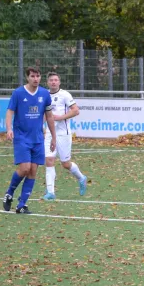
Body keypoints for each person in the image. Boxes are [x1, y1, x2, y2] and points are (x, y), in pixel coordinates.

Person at [3, 67, 57, 214]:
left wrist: (53, 137)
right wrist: (9, 129)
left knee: (33, 171)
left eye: (38, 76)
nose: (35, 79)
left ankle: (22, 204)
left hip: (38, 138)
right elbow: (10, 112)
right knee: (24, 168)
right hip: (21, 137)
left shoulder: (45, 93)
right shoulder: (18, 93)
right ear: (27, 77)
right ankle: (9, 193)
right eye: (33, 76)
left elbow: (50, 117)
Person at [42, 72, 87, 200]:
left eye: (56, 80)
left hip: (63, 134)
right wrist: (40, 126)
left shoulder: (65, 95)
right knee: (49, 160)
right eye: (51, 80)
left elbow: (76, 110)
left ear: (59, 82)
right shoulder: (44, 95)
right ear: (48, 82)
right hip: (50, 133)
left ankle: (81, 178)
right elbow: (44, 114)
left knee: (65, 164)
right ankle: (50, 192)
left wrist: (61, 117)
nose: (53, 82)